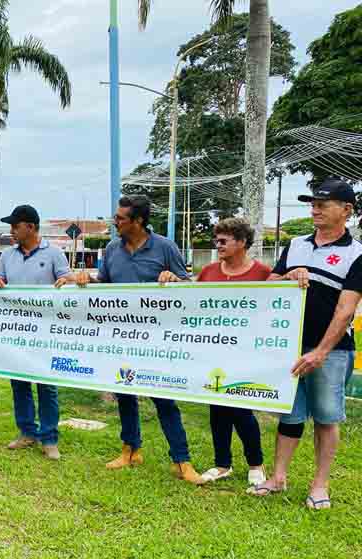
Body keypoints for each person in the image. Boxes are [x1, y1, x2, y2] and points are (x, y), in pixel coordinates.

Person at [71, 195, 203, 485]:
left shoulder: (165, 247)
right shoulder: (112, 249)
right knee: (125, 395)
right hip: (122, 339)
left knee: (164, 400)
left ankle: (181, 461)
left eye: (120, 219)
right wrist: (86, 281)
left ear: (138, 221)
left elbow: (188, 288)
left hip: (157, 342)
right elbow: (104, 285)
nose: (114, 222)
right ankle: (130, 450)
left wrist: (175, 279)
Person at [250, 179, 362, 510]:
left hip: (331, 352)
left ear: (346, 210)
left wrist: (320, 352)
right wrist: (288, 275)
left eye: (322, 204)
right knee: (290, 414)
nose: (314, 209)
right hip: (289, 348)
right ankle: (278, 478)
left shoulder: (356, 254)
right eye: (312, 203)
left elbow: (345, 310)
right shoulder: (296, 244)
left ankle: (319, 485)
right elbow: (269, 284)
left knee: (326, 418)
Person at [0, 204, 81, 460]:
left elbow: (68, 281)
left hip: (46, 333)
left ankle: (49, 438)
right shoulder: (7, 256)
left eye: (14, 226)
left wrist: (68, 281)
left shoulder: (54, 254)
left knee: (46, 386)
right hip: (17, 331)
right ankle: (26, 433)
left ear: (30, 227)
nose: (11, 230)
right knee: (19, 383)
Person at [195, 218, 271, 486]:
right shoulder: (208, 272)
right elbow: (192, 305)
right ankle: (222, 463)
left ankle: (256, 463)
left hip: (246, 353)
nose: (218, 246)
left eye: (224, 241)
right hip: (214, 352)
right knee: (217, 409)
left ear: (241, 242)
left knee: (240, 408)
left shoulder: (263, 274)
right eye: (217, 240)